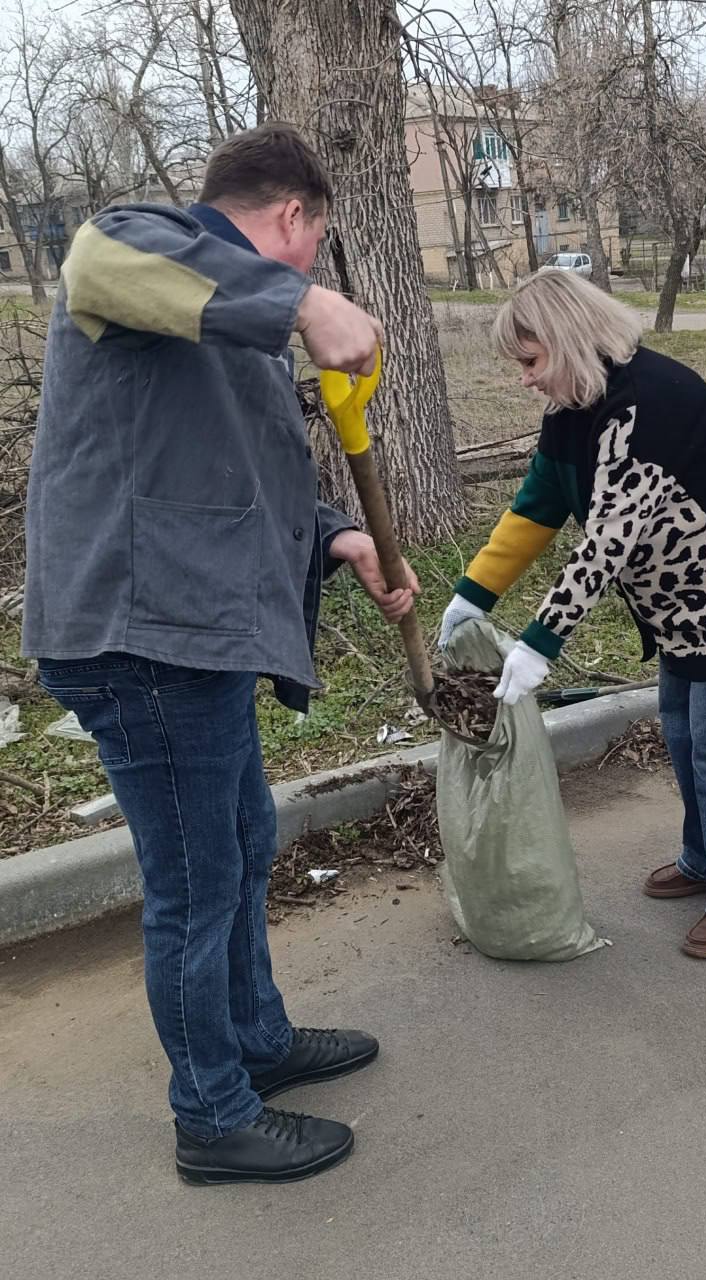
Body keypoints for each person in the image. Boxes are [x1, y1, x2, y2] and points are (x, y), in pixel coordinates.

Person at [23, 123, 421, 1186]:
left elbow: (241, 479)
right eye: (314, 247)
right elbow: (97, 260)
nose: (307, 270)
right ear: (292, 216)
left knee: (240, 839)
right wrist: (304, 302)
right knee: (198, 881)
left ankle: (253, 1041)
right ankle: (210, 1113)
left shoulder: (220, 332)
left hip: (189, 636)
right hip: (136, 632)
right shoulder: (131, 251)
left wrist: (338, 535)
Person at [439, 271, 706, 960]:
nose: (523, 378)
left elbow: (605, 543)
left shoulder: (648, 407)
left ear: (568, 339)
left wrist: (537, 645)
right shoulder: (573, 404)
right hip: (681, 605)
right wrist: (475, 592)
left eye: (530, 361)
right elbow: (539, 503)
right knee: (686, 738)